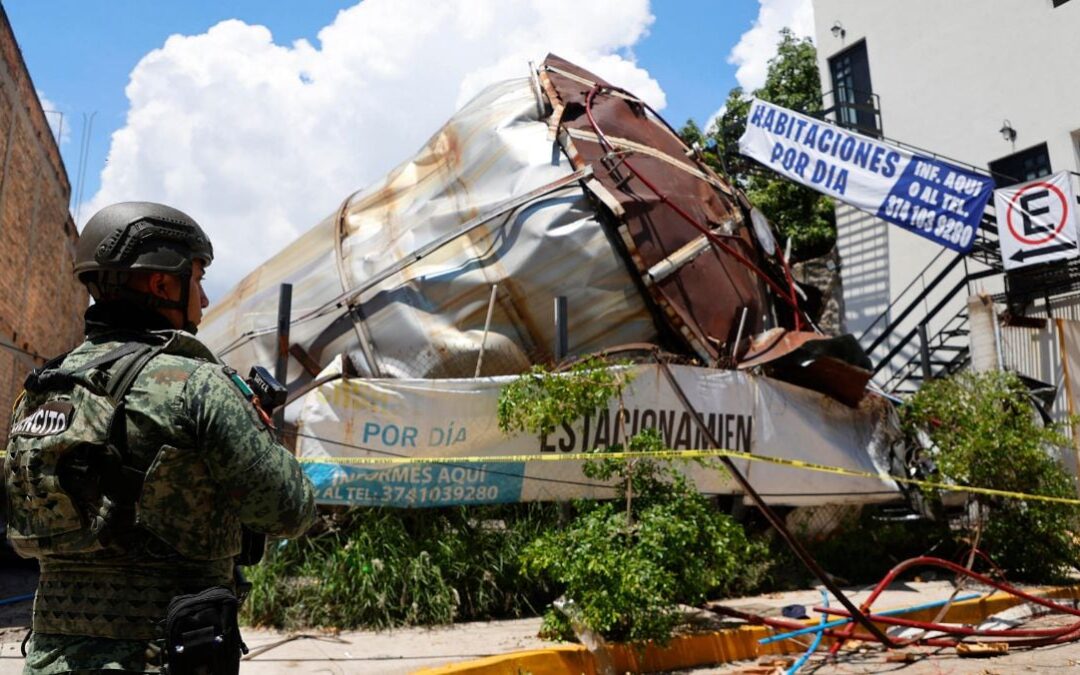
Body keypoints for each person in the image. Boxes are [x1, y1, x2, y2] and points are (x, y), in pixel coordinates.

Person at [4, 202, 316, 674]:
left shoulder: (41, 389)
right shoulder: (199, 385)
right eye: (198, 279)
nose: (204, 299)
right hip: (163, 656)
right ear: (161, 284)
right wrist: (262, 433)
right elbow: (289, 510)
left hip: (50, 659)